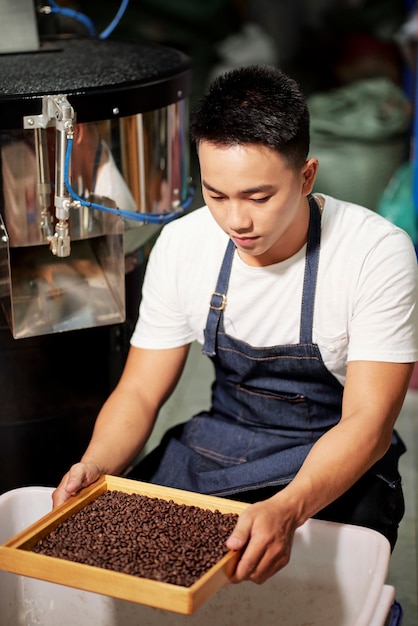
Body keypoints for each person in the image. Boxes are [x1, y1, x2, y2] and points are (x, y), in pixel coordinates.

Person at [53, 65, 418, 586]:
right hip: (219, 440)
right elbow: (138, 391)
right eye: (216, 195)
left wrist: (287, 508)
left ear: (307, 176)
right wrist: (96, 464)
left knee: (325, 586)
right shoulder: (183, 245)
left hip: (333, 446)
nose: (236, 222)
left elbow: (369, 421)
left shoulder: (375, 252)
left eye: (258, 197)